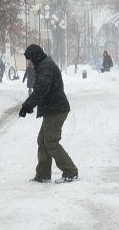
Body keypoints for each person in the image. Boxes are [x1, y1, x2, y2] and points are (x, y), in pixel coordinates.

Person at [19, 44, 78, 183]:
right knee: (42, 141)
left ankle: (71, 171)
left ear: (35, 57)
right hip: (53, 108)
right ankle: (43, 174)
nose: (29, 62)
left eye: (29, 59)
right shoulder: (43, 65)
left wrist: (27, 106)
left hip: (56, 109)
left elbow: (41, 89)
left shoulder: (45, 66)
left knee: (51, 142)